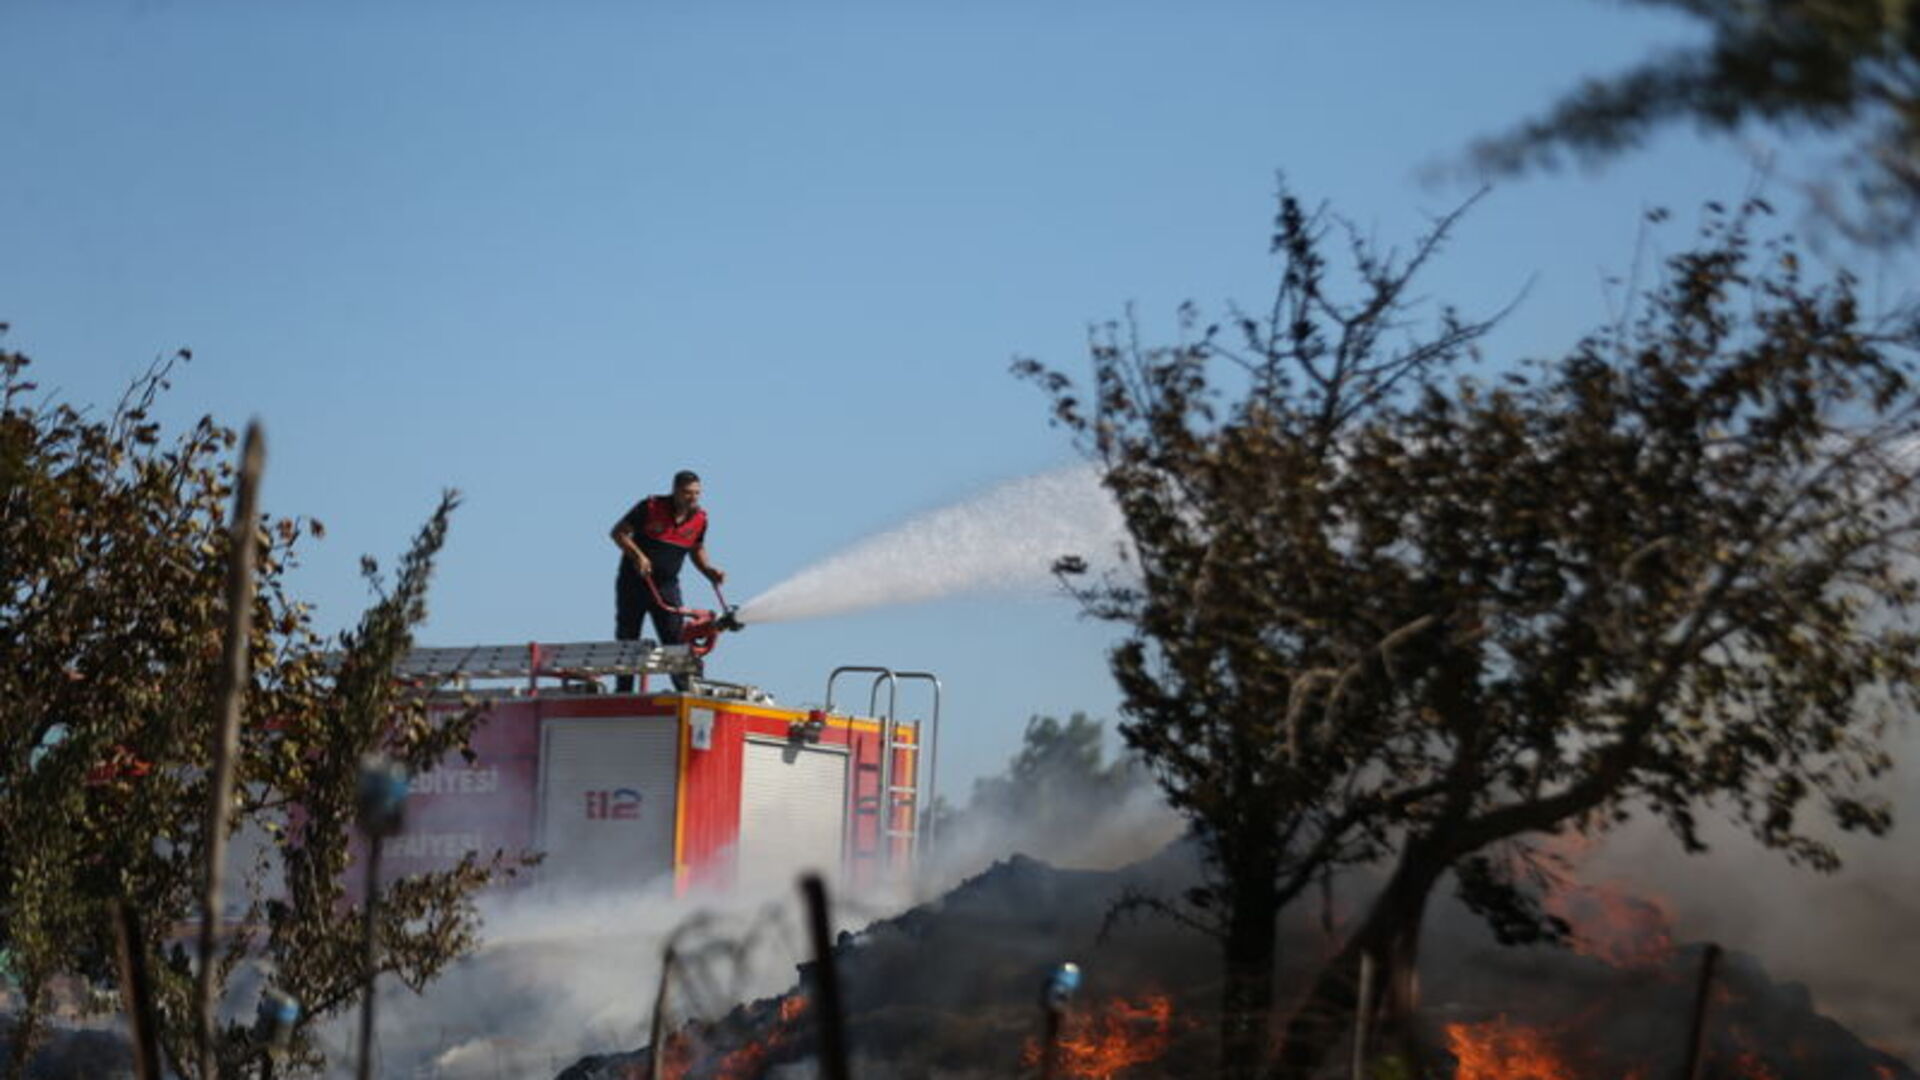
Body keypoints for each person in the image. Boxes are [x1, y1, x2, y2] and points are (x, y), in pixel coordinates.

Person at [610, 470, 725, 692]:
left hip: (667, 586)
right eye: (687, 493)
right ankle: (624, 692)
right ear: (675, 491)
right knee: (628, 638)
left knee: (675, 638)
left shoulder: (700, 519)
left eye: (697, 493)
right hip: (633, 583)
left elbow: (696, 548)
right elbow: (618, 533)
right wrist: (638, 556)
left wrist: (708, 570)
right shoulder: (650, 507)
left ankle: (687, 690)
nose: (693, 498)